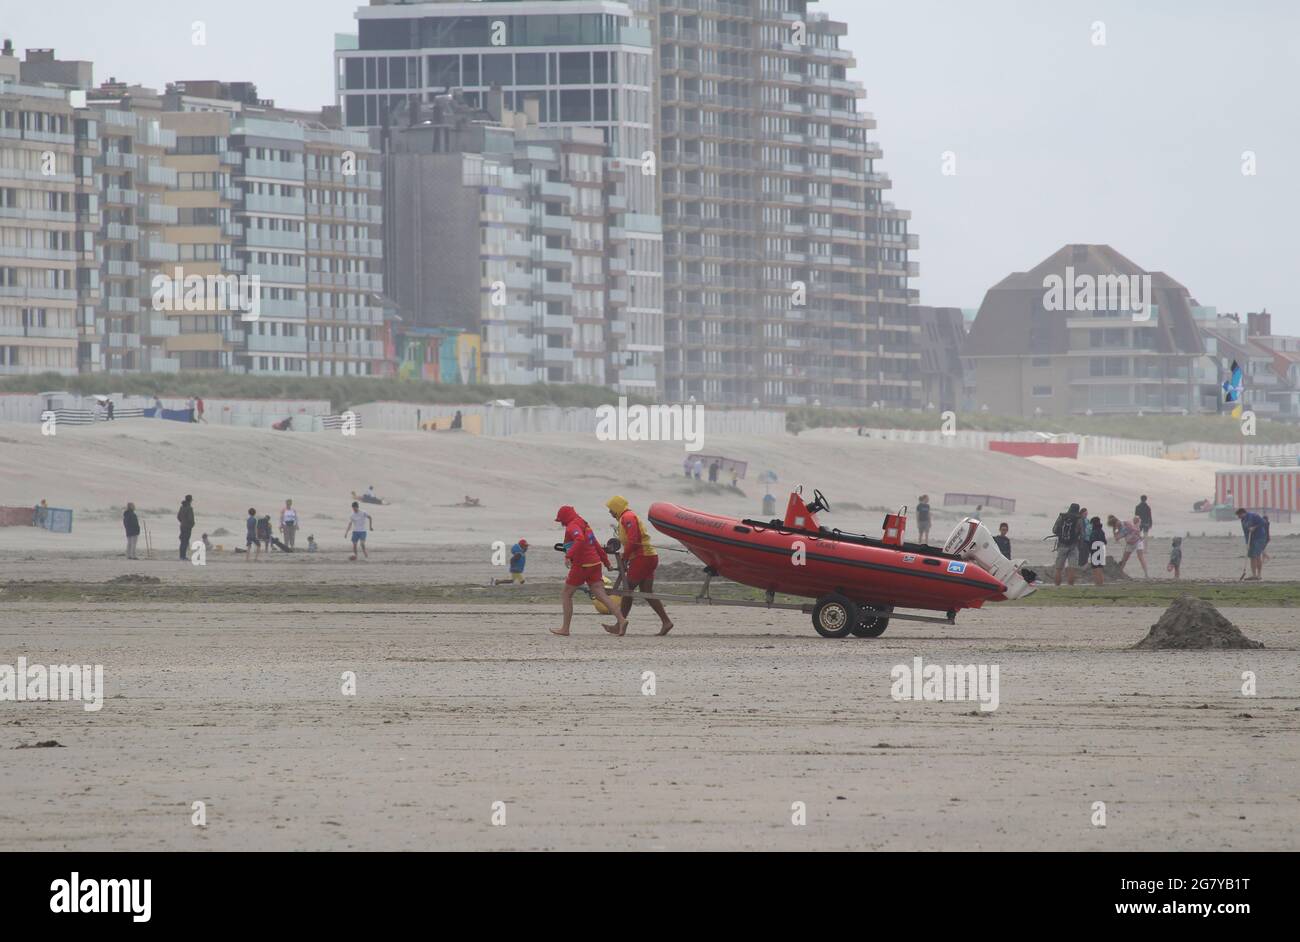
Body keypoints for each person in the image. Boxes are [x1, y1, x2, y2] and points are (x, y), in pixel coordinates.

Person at [551, 505, 625, 637]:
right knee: (602, 595)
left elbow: (579, 539)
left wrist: (568, 556)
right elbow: (595, 544)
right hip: (595, 564)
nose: (561, 523)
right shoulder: (585, 524)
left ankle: (565, 628)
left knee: (566, 594)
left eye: (561, 520)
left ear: (564, 518)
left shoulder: (572, 525)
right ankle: (621, 619)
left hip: (582, 565)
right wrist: (606, 562)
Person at [605, 495, 673, 636]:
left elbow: (633, 540)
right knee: (647, 592)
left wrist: (625, 557)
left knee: (627, 590)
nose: (610, 512)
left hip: (644, 558)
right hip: (648, 557)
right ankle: (666, 622)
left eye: (611, 509)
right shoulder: (625, 517)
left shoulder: (628, 517)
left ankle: (620, 624)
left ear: (617, 507)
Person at [1051, 503, 1084, 586]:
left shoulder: (1062, 516)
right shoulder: (1079, 519)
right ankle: (1070, 587)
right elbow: (1082, 533)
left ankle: (1057, 586)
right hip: (1073, 545)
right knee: (1072, 568)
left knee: (1058, 568)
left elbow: (1054, 530)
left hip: (1061, 545)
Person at [1237, 508, 1267, 579]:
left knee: (1257, 556)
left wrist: (1254, 527)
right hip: (1251, 539)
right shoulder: (1242, 520)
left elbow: (1263, 522)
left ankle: (1259, 575)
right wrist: (1247, 543)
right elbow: (1245, 532)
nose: (1238, 517)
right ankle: (1254, 575)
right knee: (1251, 557)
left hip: (1259, 537)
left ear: (1243, 513)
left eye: (1239, 515)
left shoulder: (1253, 516)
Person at [1088, 516, 1107, 585]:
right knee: (1100, 567)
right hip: (1102, 549)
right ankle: (1101, 582)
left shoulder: (1094, 532)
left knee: (1095, 567)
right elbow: (1105, 542)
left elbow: (1091, 542)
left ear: (1093, 524)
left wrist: (1089, 549)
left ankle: (1097, 582)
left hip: (1095, 550)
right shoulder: (1102, 531)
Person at [177, 495, 195, 561]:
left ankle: (181, 556)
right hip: (187, 527)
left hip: (182, 526)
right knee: (185, 541)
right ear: (190, 500)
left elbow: (178, 517)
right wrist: (191, 525)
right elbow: (191, 519)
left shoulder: (181, 507)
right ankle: (183, 557)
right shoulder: (189, 508)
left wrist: (182, 522)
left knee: (182, 541)